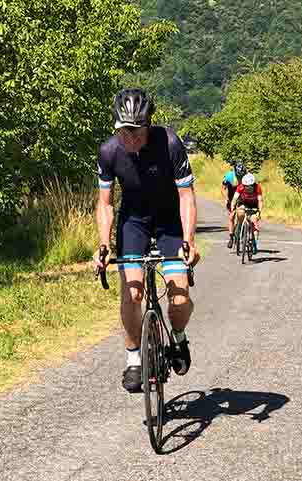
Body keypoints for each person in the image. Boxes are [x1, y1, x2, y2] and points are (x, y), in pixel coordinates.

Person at [93, 88, 200, 393]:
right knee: (132, 293)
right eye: (122, 130)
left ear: (148, 124)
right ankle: (133, 359)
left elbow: (186, 197)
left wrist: (189, 241)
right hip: (133, 221)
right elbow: (105, 204)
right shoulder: (109, 151)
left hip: (169, 220)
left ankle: (178, 338)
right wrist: (103, 244)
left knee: (179, 298)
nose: (129, 137)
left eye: (136, 130)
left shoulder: (170, 143)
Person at [233, 172, 263, 252]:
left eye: (250, 186)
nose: (248, 187)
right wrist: (233, 207)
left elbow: (260, 200)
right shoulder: (240, 187)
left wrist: (259, 211)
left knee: (254, 221)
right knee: (241, 213)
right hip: (243, 203)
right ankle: (239, 228)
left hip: (253, 205)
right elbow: (235, 199)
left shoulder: (257, 187)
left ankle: (254, 243)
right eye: (246, 186)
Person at [221, 160, 247, 249]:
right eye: (239, 175)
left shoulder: (246, 176)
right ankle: (231, 237)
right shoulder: (229, 176)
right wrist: (226, 198)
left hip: (242, 197)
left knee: (242, 215)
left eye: (242, 174)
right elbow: (223, 188)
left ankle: (240, 228)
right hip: (231, 196)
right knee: (231, 217)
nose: (240, 177)